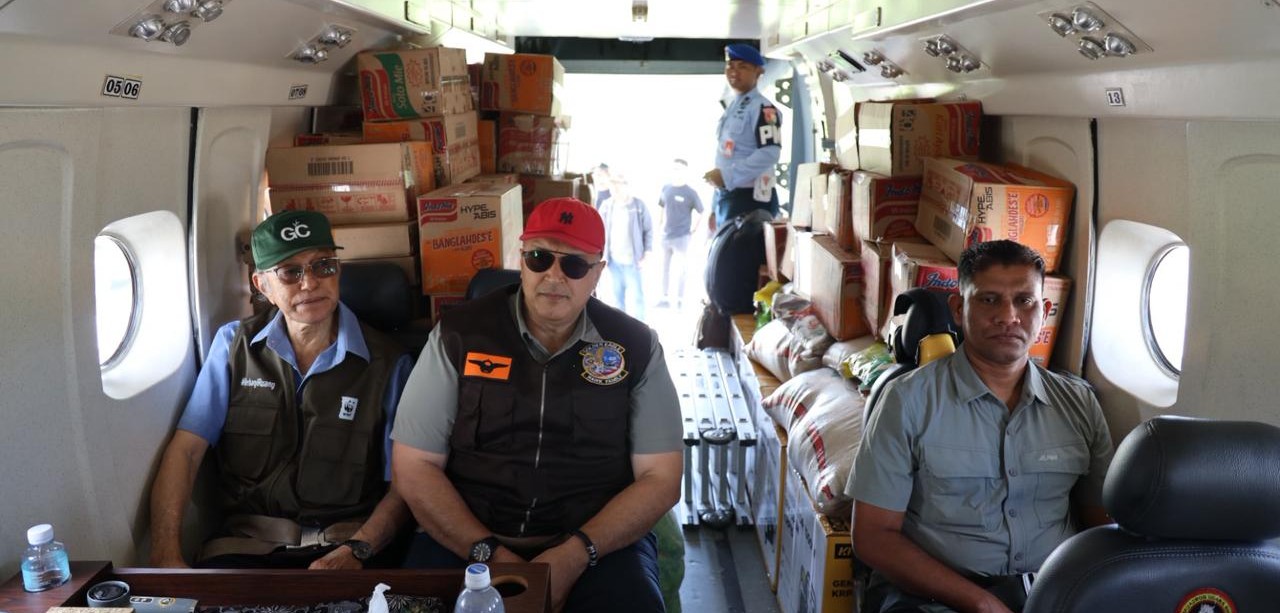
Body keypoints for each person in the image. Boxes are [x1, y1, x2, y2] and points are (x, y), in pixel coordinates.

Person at [391, 197, 683, 613]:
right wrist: (490, 554)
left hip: (596, 545)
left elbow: (661, 478)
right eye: (540, 258)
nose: (554, 276)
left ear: (598, 273)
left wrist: (574, 554)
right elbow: (413, 465)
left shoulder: (635, 347)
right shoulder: (459, 335)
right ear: (521, 259)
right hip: (466, 539)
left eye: (574, 265)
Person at [848, 240, 1114, 613]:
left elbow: (1102, 525)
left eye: (1024, 301)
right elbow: (873, 536)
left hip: (1051, 593)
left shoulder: (1079, 404)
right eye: (989, 300)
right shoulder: (908, 401)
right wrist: (981, 603)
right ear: (959, 309)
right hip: (933, 599)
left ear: (1044, 311)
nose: (1008, 316)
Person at [148, 210, 413, 570]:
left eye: (323, 266)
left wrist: (358, 551)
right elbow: (186, 452)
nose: (310, 283)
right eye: (290, 272)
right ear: (263, 286)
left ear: (338, 272)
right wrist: (166, 553)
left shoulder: (389, 363)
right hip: (246, 549)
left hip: (347, 546)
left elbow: (404, 485)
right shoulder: (233, 346)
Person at [703, 42, 782, 231]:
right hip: (728, 197)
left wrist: (726, 176)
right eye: (730, 65)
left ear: (758, 71)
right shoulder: (732, 107)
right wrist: (715, 206)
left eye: (743, 67)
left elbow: (770, 153)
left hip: (751, 200)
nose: (734, 71)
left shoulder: (763, 109)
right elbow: (725, 157)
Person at [599, 171, 654, 319]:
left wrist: (647, 253)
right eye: (612, 185)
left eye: (618, 185)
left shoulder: (638, 205)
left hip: (633, 262)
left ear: (626, 186)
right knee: (617, 300)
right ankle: (620, 328)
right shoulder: (606, 206)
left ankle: (640, 329)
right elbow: (599, 230)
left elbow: (648, 230)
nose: (615, 189)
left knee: (637, 299)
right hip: (613, 262)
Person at [655, 159, 704, 310]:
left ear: (685, 171)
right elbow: (661, 206)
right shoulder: (666, 188)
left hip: (682, 237)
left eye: (680, 169)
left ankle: (680, 300)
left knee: (682, 269)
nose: (677, 171)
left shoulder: (690, 192)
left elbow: (701, 211)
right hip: (666, 235)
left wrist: (693, 230)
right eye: (675, 168)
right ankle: (664, 298)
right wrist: (659, 224)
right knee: (664, 268)